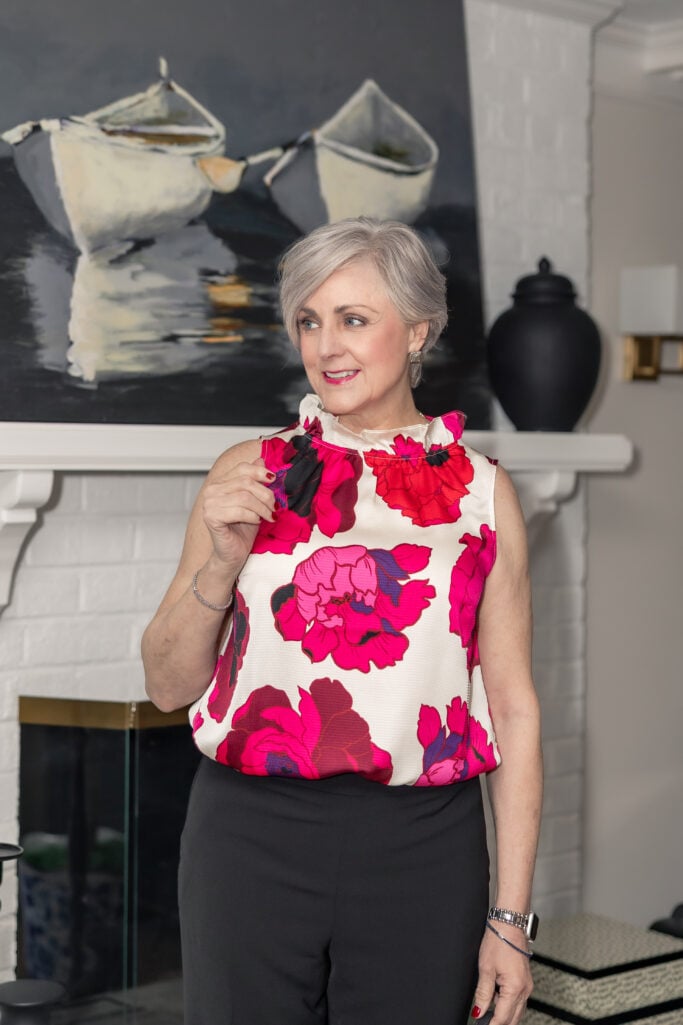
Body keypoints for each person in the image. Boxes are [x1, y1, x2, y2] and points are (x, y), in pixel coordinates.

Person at [142, 217, 542, 1025]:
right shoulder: (246, 471)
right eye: (309, 320)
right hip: (248, 835)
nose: (327, 345)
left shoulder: (481, 492)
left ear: (418, 329)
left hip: (422, 845)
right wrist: (220, 563)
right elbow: (164, 686)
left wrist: (510, 921)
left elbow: (513, 711)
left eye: (353, 319)